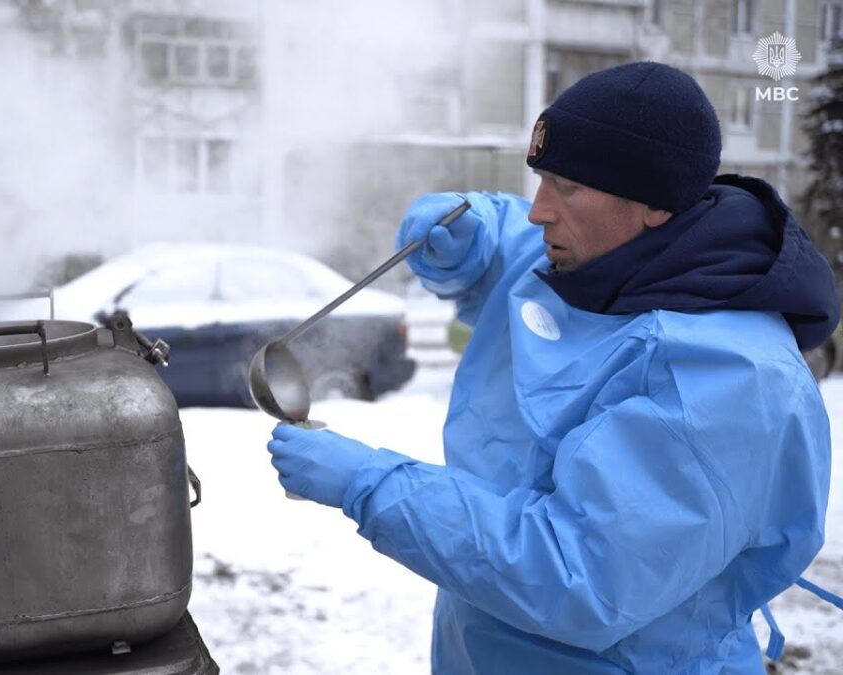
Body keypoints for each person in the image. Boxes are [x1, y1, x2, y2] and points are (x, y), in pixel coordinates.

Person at [266, 61, 839, 673]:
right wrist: (473, 236)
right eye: (540, 179)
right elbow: (515, 237)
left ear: (653, 202)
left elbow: (577, 576)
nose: (539, 211)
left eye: (565, 187)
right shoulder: (597, 253)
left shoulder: (727, 378)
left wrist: (371, 483)